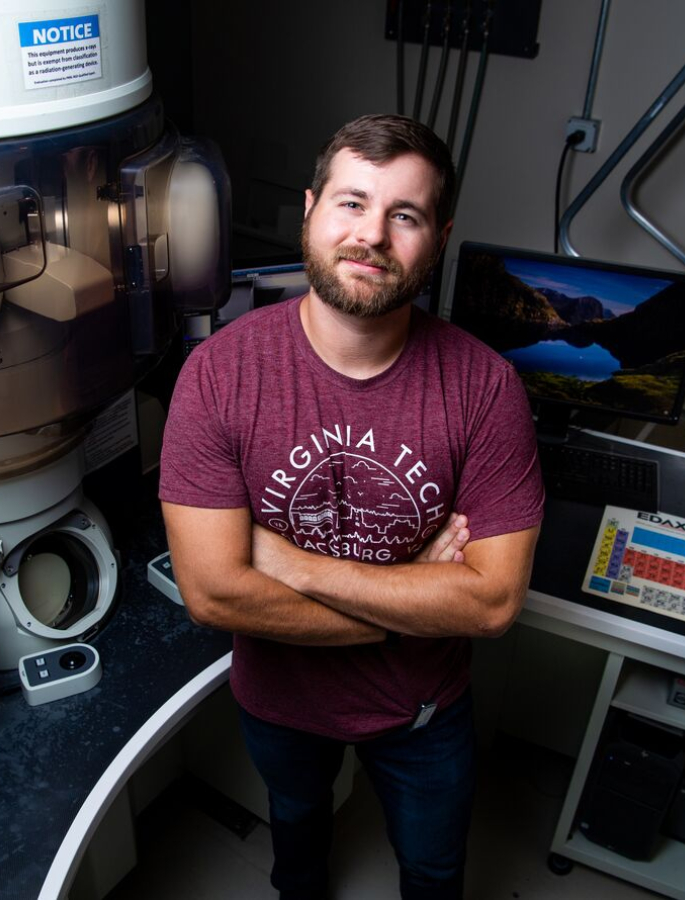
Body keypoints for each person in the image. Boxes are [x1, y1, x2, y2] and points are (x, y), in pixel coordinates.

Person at [159, 113, 544, 900]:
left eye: (404, 215)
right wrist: (421, 597)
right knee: (296, 831)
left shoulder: (484, 388)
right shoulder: (217, 375)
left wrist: (289, 563)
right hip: (280, 701)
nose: (372, 235)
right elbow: (211, 592)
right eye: (352, 203)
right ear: (309, 209)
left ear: (437, 236)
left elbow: (495, 602)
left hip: (424, 712)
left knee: (434, 869)